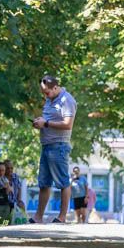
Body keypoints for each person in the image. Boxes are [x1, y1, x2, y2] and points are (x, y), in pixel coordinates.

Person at [32, 74, 77, 224]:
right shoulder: (49, 100)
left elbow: (68, 124)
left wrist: (46, 123)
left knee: (63, 182)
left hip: (59, 146)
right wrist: (39, 122)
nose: (45, 95)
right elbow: (48, 120)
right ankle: (38, 217)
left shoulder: (66, 100)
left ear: (55, 87)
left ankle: (62, 217)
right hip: (46, 145)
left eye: (47, 92)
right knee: (44, 183)